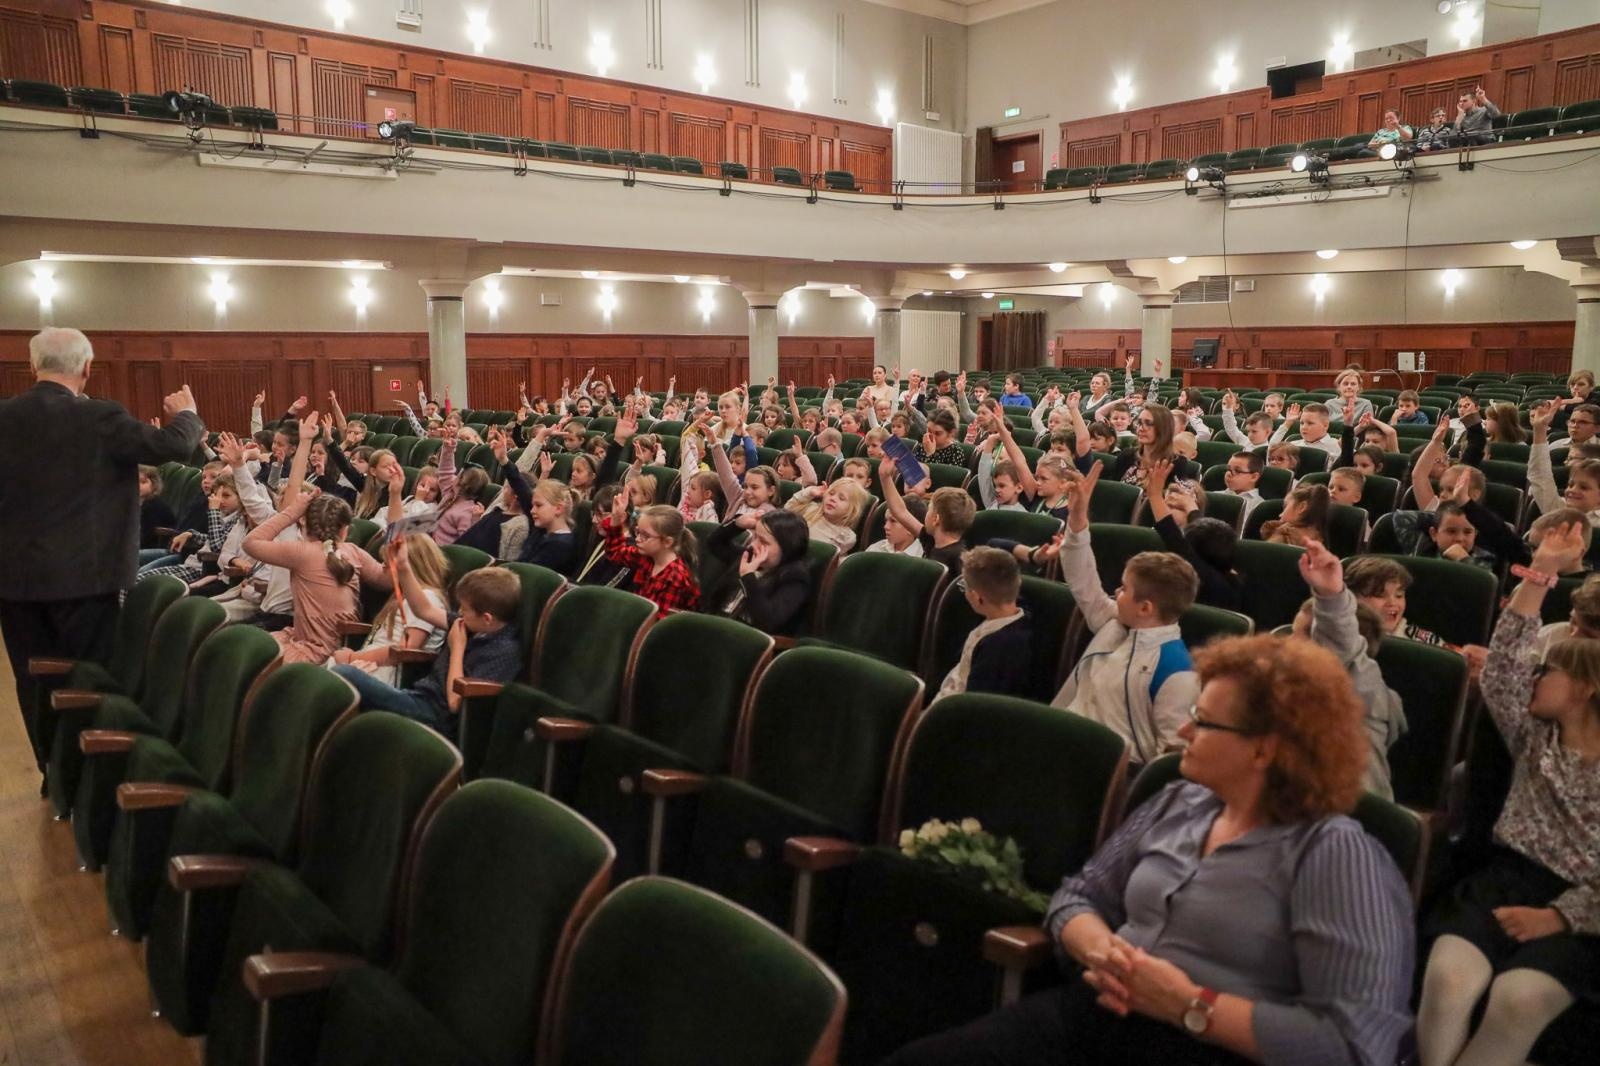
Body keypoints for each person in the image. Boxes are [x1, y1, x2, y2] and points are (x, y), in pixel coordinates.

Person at [887, 629, 1414, 1066]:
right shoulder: (1182, 801)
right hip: (1096, 1015)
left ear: (1265, 749)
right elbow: (1079, 896)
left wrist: (1190, 1004)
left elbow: (1355, 1044)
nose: (1183, 729)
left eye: (1204, 722)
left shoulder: (1336, 855)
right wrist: (1101, 949)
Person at [1416, 521, 1600, 1066]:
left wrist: (1563, 916)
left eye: (1552, 671)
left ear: (1586, 689)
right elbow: (1505, 662)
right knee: (1449, 980)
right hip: (1507, 876)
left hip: (1586, 904)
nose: (1535, 675)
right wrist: (1542, 571)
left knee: (1516, 1001)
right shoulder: (1535, 732)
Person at [0, 328, 204, 785]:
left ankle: (52, 773)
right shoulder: (100, 417)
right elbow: (174, 446)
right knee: (89, 680)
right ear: (87, 368)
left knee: (33, 681)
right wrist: (187, 414)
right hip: (85, 581)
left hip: (14, 581)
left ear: (33, 367)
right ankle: (90, 781)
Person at [1041, 461, 1200, 764]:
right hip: (1061, 743)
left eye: (1124, 589)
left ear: (1145, 608)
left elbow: (1170, 763)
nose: (1116, 592)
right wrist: (1077, 519)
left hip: (1105, 772)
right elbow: (1082, 579)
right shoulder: (1117, 621)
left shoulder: (1176, 671)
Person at [332, 542, 523, 741]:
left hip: (435, 716)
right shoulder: (470, 625)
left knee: (344, 674)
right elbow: (424, 610)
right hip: (418, 695)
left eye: (464, 609)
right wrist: (405, 566)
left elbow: (455, 702)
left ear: (487, 618)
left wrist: (457, 648)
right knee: (339, 682)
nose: (459, 613)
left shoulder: (504, 651)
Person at [1291, 540, 1407, 799]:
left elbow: (1341, 643)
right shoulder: (1297, 685)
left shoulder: (1361, 683)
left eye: (1299, 635)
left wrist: (1331, 596)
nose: (1288, 643)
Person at [329, 533, 449, 687]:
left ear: (410, 566)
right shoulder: (402, 595)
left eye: (388, 563)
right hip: (373, 663)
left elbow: (405, 651)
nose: (383, 566)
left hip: (390, 672)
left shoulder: (427, 598)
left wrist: (352, 657)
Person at [934, 547, 1032, 701]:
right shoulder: (1009, 609)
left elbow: (974, 706)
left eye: (964, 587)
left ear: (977, 598)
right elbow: (996, 545)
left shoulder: (999, 650)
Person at [700, 510, 815, 636]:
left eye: (763, 542)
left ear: (787, 547)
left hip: (746, 639)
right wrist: (737, 523)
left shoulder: (795, 577)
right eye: (755, 537)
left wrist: (748, 578)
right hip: (715, 625)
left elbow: (767, 621)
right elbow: (714, 543)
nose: (753, 545)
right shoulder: (749, 556)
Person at [598, 499, 699, 618]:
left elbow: (657, 625)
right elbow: (615, 553)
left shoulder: (675, 578)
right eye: (637, 532)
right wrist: (615, 519)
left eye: (645, 535)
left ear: (667, 542)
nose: (637, 539)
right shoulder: (647, 556)